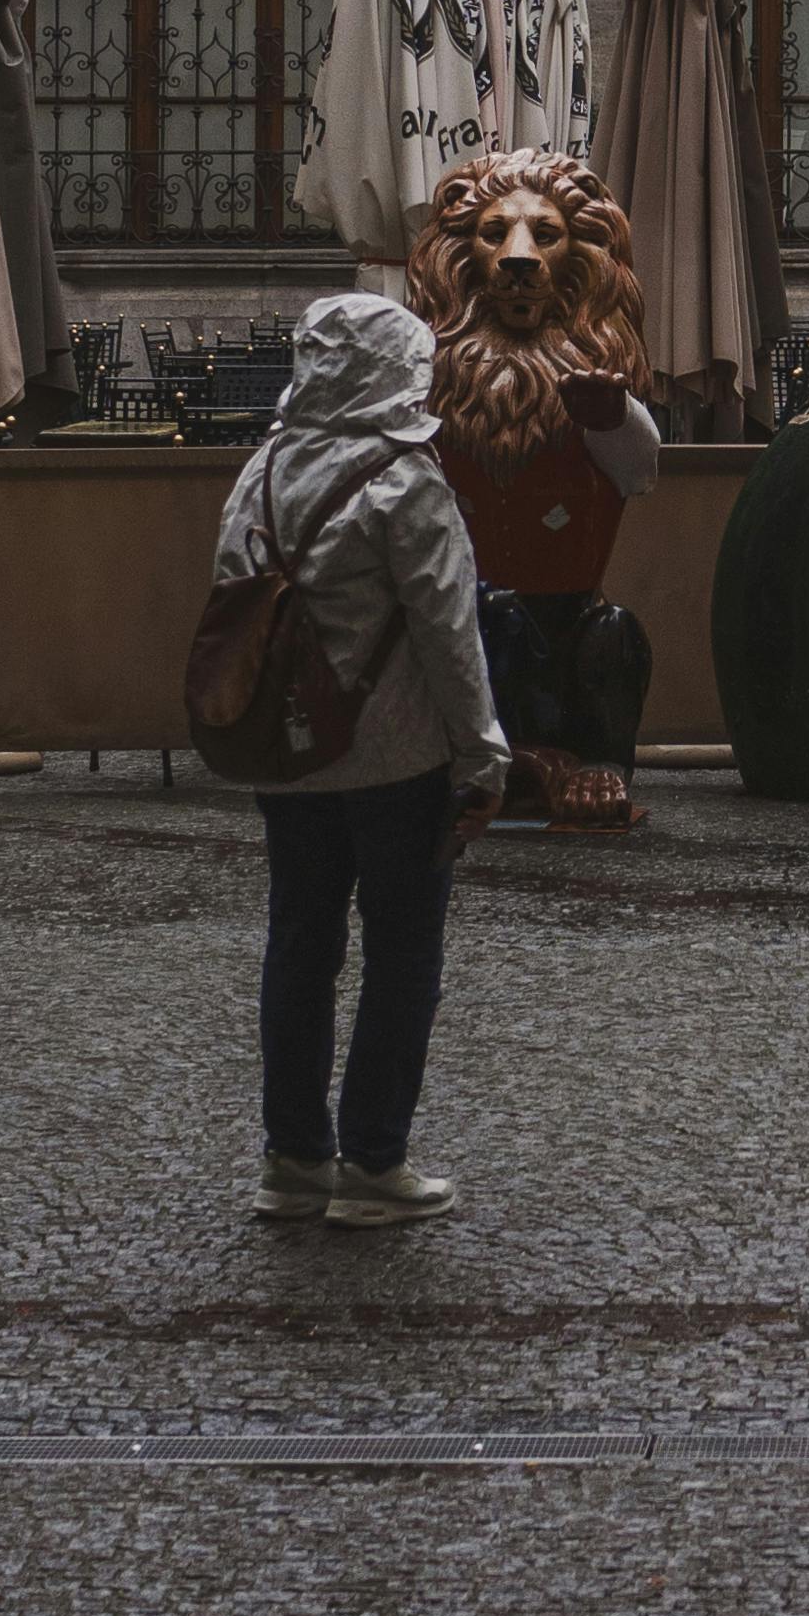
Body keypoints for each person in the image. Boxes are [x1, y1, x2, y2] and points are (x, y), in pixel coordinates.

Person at [210, 283, 514, 1227]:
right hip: (396, 758)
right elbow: (448, 633)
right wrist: (483, 755)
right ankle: (375, 1166)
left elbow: (231, 599)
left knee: (299, 944)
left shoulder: (261, 469)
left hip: (288, 754)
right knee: (401, 953)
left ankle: (293, 1158)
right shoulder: (405, 482)